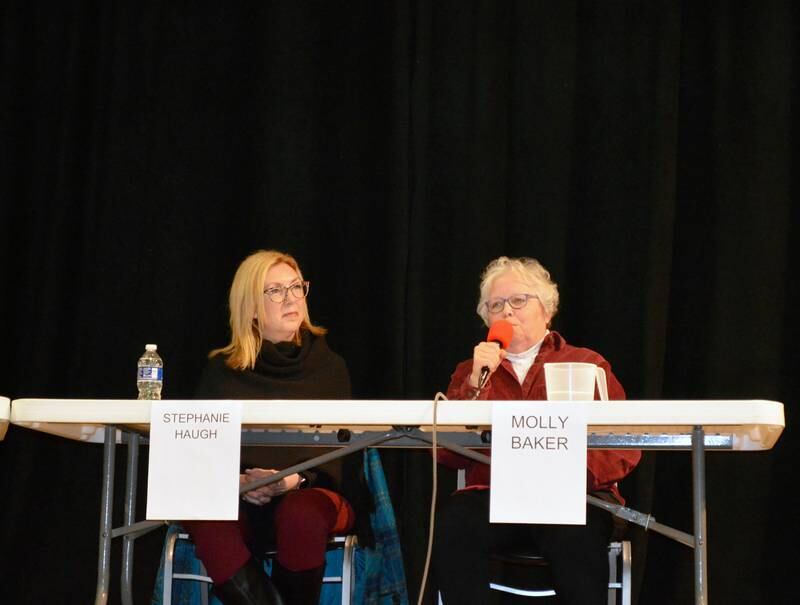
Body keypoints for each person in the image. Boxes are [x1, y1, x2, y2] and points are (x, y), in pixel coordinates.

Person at [433, 256, 641, 605]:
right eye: (495, 304)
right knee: (457, 525)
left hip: (572, 497)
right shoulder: (471, 372)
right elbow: (445, 452)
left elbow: (623, 447)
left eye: (518, 300)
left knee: (578, 537)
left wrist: (571, 476)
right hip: (494, 497)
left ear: (547, 309)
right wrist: (473, 387)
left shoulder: (588, 365)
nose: (507, 311)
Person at [182, 249, 369, 605]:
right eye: (275, 291)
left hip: (309, 492)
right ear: (251, 306)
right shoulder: (221, 371)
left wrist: (289, 481)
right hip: (238, 497)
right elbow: (200, 451)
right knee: (203, 514)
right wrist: (236, 483)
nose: (291, 299)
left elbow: (339, 457)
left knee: (302, 513)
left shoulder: (330, 367)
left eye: (296, 287)